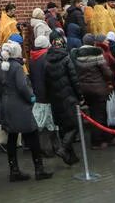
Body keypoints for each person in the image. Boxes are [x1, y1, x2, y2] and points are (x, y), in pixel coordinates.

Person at [0, 41, 52, 182]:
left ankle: (14, 170)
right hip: (20, 106)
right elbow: (22, 87)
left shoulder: (2, 66)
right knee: (33, 135)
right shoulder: (17, 67)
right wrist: (31, 97)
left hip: (7, 105)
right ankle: (39, 169)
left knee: (12, 137)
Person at [43, 30, 80, 164]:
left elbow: (46, 82)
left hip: (55, 99)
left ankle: (71, 157)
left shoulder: (47, 61)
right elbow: (74, 78)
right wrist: (79, 95)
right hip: (68, 97)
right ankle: (64, 149)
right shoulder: (66, 58)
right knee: (74, 125)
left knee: (64, 127)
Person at [73, 34, 113, 149]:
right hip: (98, 88)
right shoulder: (97, 53)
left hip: (84, 89)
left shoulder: (77, 55)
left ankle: (106, 137)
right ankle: (97, 141)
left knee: (93, 113)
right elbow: (107, 72)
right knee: (99, 115)